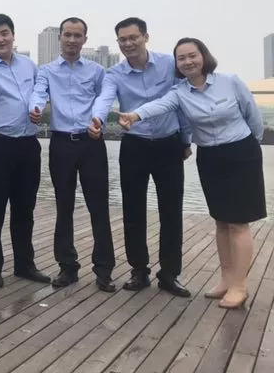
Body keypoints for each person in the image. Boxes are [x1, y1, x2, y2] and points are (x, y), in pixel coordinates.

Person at [119, 38, 266, 309]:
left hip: (241, 153)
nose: (188, 62)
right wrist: (134, 116)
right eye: (181, 58)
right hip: (209, 156)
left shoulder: (230, 81)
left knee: (238, 223)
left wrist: (250, 147)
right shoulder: (180, 92)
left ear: (203, 56)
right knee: (221, 221)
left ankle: (240, 286)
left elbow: (253, 117)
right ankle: (226, 279)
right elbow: (158, 106)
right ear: (176, 64)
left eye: (192, 55)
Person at [90, 17, 191, 297]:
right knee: (133, 210)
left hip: (168, 144)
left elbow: (182, 103)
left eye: (133, 37)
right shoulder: (114, 74)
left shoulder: (170, 64)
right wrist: (98, 119)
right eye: (122, 39)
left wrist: (185, 140)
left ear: (146, 37)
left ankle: (170, 274)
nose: (128, 43)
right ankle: (139, 270)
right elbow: (104, 98)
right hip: (134, 146)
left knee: (172, 211)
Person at [30, 17, 116, 292]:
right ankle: (67, 267)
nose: (71, 40)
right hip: (61, 144)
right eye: (67, 34)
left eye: (77, 35)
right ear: (60, 38)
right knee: (63, 206)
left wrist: (99, 121)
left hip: (92, 142)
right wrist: (35, 108)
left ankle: (104, 270)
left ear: (84, 39)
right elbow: (38, 93)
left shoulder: (97, 71)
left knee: (99, 207)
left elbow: (104, 99)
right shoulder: (46, 71)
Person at [0, 14, 51, 288]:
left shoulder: (29, 65)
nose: (0, 39)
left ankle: (24, 265)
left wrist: (39, 108)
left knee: (25, 208)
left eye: (4, 33)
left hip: (28, 145)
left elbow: (40, 92)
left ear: (13, 35)